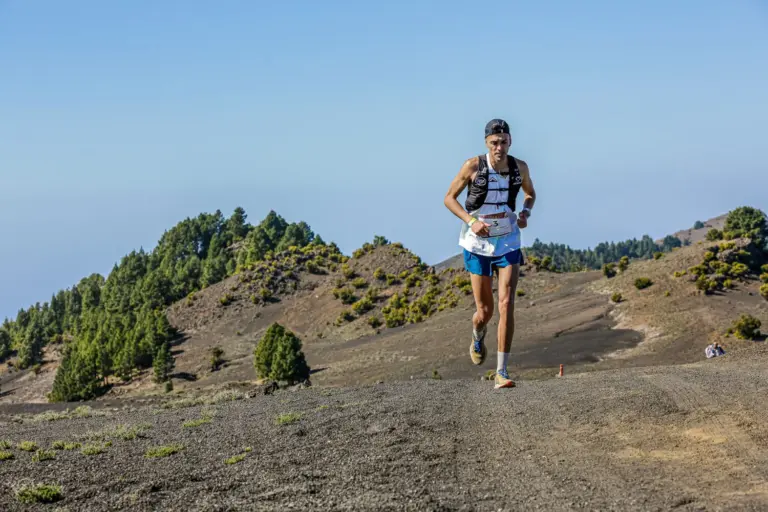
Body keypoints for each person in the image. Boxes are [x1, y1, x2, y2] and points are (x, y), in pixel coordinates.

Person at [443, 118, 536, 389]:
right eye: (494, 143)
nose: (499, 147)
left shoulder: (520, 167)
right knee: (485, 310)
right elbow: (449, 198)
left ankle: (502, 371)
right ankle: (477, 333)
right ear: (487, 143)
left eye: (504, 142)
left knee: (507, 303)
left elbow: (530, 194)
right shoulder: (473, 166)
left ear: (510, 142)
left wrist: (525, 213)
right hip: (477, 243)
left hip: (507, 240)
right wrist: (472, 222)